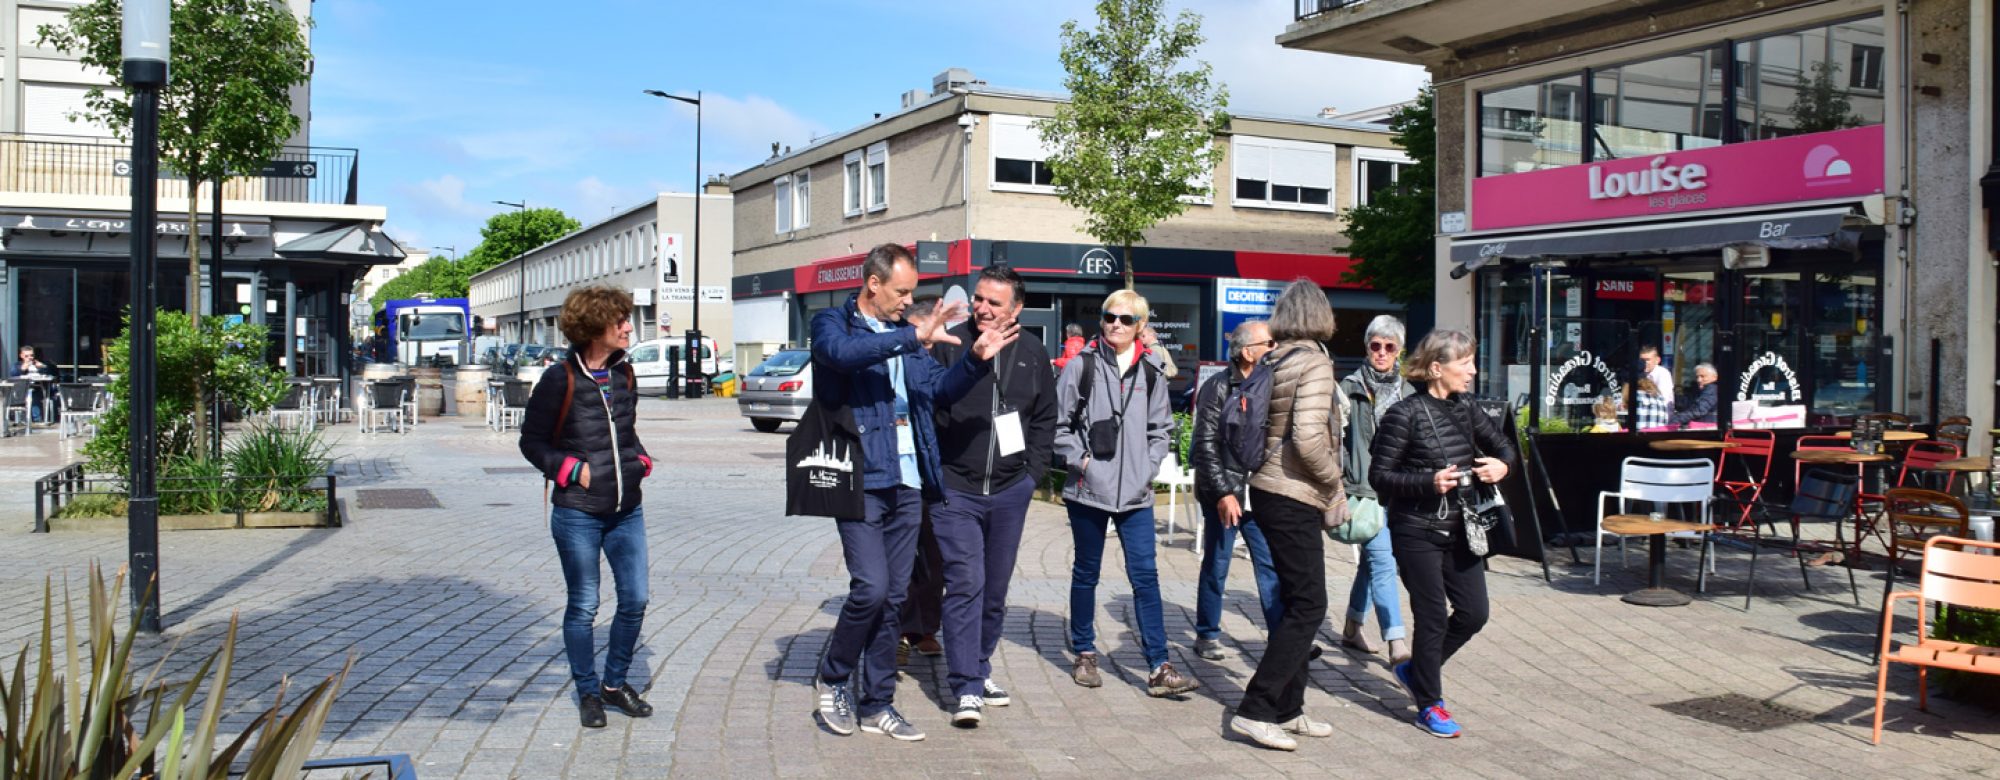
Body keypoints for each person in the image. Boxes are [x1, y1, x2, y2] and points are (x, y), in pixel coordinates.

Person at [809, 244, 1018, 743]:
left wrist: (972, 359)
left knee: (896, 597)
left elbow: (936, 392)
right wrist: (910, 338)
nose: (908, 301)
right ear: (873, 284)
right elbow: (841, 357)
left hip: (908, 482)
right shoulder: (832, 324)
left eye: (911, 292)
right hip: (861, 477)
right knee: (871, 589)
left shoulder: (907, 338)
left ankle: (877, 702)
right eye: (901, 291)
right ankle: (835, 676)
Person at [517, 287, 656, 729]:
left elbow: (625, 434)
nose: (629, 327)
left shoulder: (624, 375)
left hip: (626, 509)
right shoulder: (560, 379)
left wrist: (640, 459)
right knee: (584, 605)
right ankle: (587, 691)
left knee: (635, 598)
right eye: (622, 321)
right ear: (597, 327)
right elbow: (531, 442)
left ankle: (614, 684)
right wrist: (569, 469)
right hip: (577, 511)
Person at [926, 265, 1058, 727]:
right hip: (955, 489)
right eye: (979, 298)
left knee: (995, 591)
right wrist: (974, 359)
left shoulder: (1034, 352)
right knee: (966, 583)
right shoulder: (953, 343)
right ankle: (964, 685)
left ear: (1016, 309)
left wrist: (1031, 477)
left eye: (993, 302)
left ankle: (980, 669)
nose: (982, 308)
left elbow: (1044, 419)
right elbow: (935, 399)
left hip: (1008, 492)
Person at [1371, 329, 1516, 739]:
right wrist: (1427, 482)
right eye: (1465, 362)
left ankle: (1416, 671)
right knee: (1432, 617)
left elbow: (1504, 446)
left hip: (1463, 529)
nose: (1472, 370)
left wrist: (1502, 467)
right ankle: (1430, 704)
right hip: (1416, 531)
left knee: (1474, 614)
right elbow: (1379, 477)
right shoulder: (1404, 414)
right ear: (1437, 368)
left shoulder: (1467, 407)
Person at [1055, 289, 1199, 698]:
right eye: (1108, 316)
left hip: (1135, 494)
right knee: (1086, 573)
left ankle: (1159, 665)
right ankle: (1084, 651)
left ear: (1140, 326)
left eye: (1124, 319)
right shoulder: (1080, 367)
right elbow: (1058, 427)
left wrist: (1147, 469)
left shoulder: (1151, 370)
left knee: (1146, 577)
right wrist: (1082, 463)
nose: (1114, 324)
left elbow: (1161, 431)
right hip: (1088, 491)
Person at [1228, 280, 1342, 751]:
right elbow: (1309, 436)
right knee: (1310, 603)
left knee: (1298, 601)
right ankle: (1257, 708)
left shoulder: (1276, 358)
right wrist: (1335, 482)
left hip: (1269, 488)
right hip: (1293, 490)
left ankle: (1288, 709)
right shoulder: (1313, 362)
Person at [1189, 320, 1281, 661]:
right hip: (1223, 492)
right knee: (1218, 562)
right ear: (1247, 352)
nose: (1274, 348)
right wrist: (1225, 493)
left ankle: (1281, 636)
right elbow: (1206, 447)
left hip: (1258, 491)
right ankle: (1207, 634)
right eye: (1268, 343)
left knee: (1269, 564)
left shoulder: (1271, 383)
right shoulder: (1217, 387)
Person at [1337, 315, 1413, 665]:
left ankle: (1352, 625)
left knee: (1374, 561)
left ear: (1399, 351)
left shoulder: (1408, 391)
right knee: (1383, 559)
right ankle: (1397, 642)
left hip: (1400, 490)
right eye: (1375, 346)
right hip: (1364, 489)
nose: (1381, 352)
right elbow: (1336, 438)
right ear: (1367, 347)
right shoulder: (1350, 387)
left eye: (1389, 347)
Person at [896, 299, 945, 664]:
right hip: (896, 472)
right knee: (897, 560)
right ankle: (897, 629)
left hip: (933, 473)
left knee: (933, 557)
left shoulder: (942, 364)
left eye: (928, 339)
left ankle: (925, 627)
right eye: (916, 336)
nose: (922, 344)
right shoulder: (892, 360)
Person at [1670, 363, 1720, 428]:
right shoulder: (1701, 391)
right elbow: (1687, 403)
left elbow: (1699, 410)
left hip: (1706, 430)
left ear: (1715, 377)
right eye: (1697, 377)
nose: (1698, 380)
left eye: (1703, 376)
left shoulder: (1712, 389)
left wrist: (1675, 419)